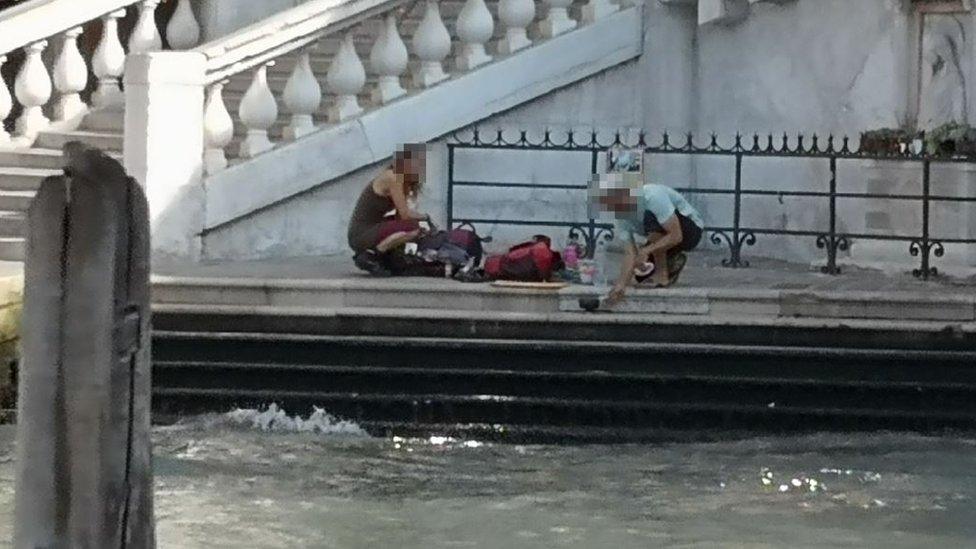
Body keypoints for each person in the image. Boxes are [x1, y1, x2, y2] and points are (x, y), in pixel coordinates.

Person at [596, 171, 705, 305]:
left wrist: (646, 251)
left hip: (690, 232)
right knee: (641, 275)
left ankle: (662, 274)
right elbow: (630, 254)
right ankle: (672, 262)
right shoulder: (621, 217)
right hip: (663, 237)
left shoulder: (652, 196)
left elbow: (676, 235)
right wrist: (620, 286)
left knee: (650, 218)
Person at [348, 144, 429, 276]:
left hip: (372, 228)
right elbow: (405, 215)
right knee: (413, 228)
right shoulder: (393, 178)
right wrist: (425, 218)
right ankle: (372, 255)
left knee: (411, 227)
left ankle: (386, 256)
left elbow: (400, 217)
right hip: (361, 233)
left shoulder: (403, 182)